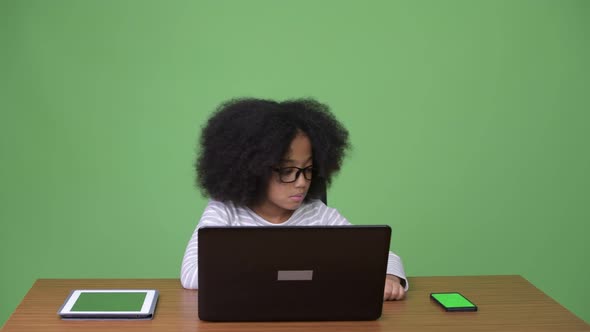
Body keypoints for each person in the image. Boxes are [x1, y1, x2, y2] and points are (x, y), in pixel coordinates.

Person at [180, 98, 408, 300]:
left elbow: (379, 255)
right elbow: (191, 274)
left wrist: (389, 278)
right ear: (252, 169)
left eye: (308, 169)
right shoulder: (225, 212)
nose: (302, 182)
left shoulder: (318, 214)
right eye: (288, 171)